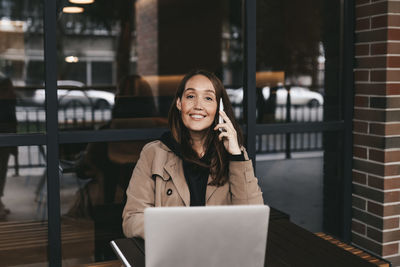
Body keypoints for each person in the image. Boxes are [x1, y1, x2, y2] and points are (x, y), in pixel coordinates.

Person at [122, 69, 264, 238]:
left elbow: (253, 220)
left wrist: (236, 155)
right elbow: (131, 220)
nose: (198, 105)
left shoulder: (234, 155)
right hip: (172, 254)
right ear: (179, 103)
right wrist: (181, 231)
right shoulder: (153, 153)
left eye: (208, 98)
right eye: (190, 96)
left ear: (220, 108)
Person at [0, 74, 17, 219]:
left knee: (2, 169)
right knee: (1, 169)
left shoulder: (4, 79)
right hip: (4, 132)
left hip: (6, 133)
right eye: (8, 90)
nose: (13, 93)